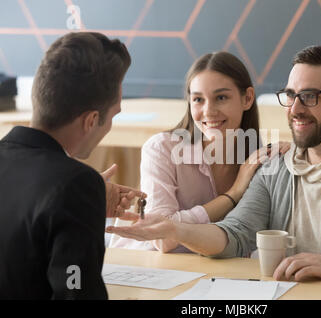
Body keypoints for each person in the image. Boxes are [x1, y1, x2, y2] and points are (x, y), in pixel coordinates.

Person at [107, 45, 321, 280]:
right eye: (291, 96)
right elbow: (235, 234)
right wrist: (177, 230)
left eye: (311, 97)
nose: (296, 109)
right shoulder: (274, 166)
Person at [0, 32, 145, 299]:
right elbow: (76, 292)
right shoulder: (75, 185)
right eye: (113, 115)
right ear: (91, 120)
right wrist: (78, 197)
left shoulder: (71, 188)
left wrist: (81, 206)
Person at [111, 51, 289, 252]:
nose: (209, 111)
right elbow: (162, 238)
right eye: (198, 100)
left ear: (247, 98)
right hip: (151, 267)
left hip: (213, 270)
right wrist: (232, 195)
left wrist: (294, 153)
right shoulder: (162, 149)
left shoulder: (256, 157)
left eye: (221, 97)